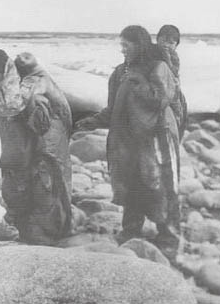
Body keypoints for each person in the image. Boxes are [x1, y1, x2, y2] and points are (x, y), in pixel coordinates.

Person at [76, 26, 181, 262]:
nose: (122, 50)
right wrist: (89, 122)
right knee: (131, 183)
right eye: (121, 45)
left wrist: (138, 82)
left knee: (163, 185)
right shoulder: (119, 72)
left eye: (127, 45)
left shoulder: (158, 67)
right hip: (129, 139)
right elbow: (113, 109)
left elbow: (163, 98)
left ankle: (169, 240)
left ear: (140, 44)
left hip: (157, 137)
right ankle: (131, 231)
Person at [0, 49, 72, 245]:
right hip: (16, 151)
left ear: (6, 71)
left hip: (41, 149)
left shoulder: (30, 90)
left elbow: (44, 128)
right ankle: (25, 230)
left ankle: (49, 233)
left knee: (45, 189)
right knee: (15, 190)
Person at [157, 24, 188, 139]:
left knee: (177, 106)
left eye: (171, 43)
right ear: (157, 39)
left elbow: (174, 71)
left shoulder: (174, 56)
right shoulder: (152, 51)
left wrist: (167, 59)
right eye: (164, 40)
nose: (166, 45)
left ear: (176, 46)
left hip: (172, 86)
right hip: (156, 85)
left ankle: (178, 124)